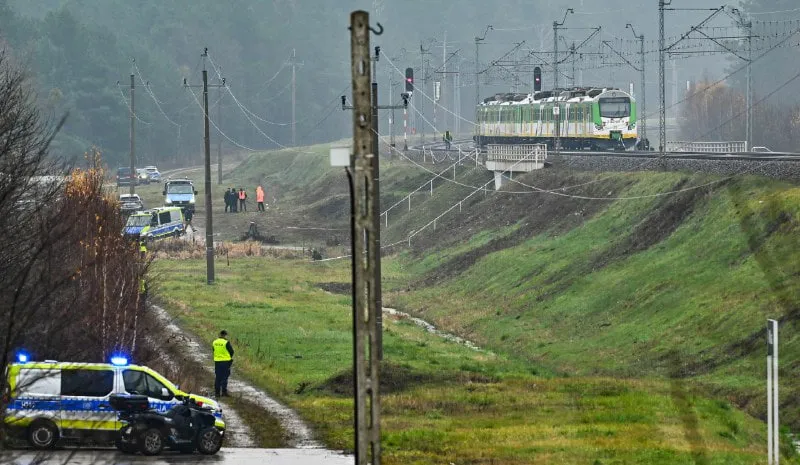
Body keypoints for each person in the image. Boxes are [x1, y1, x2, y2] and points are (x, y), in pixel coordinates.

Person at [212, 330, 234, 398]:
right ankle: (224, 392)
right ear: (225, 335)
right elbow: (231, 351)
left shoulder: (214, 342)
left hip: (217, 362)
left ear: (220, 334)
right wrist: (229, 357)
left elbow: (213, 350)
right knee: (225, 377)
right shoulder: (226, 342)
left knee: (218, 377)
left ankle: (217, 393)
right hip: (226, 362)